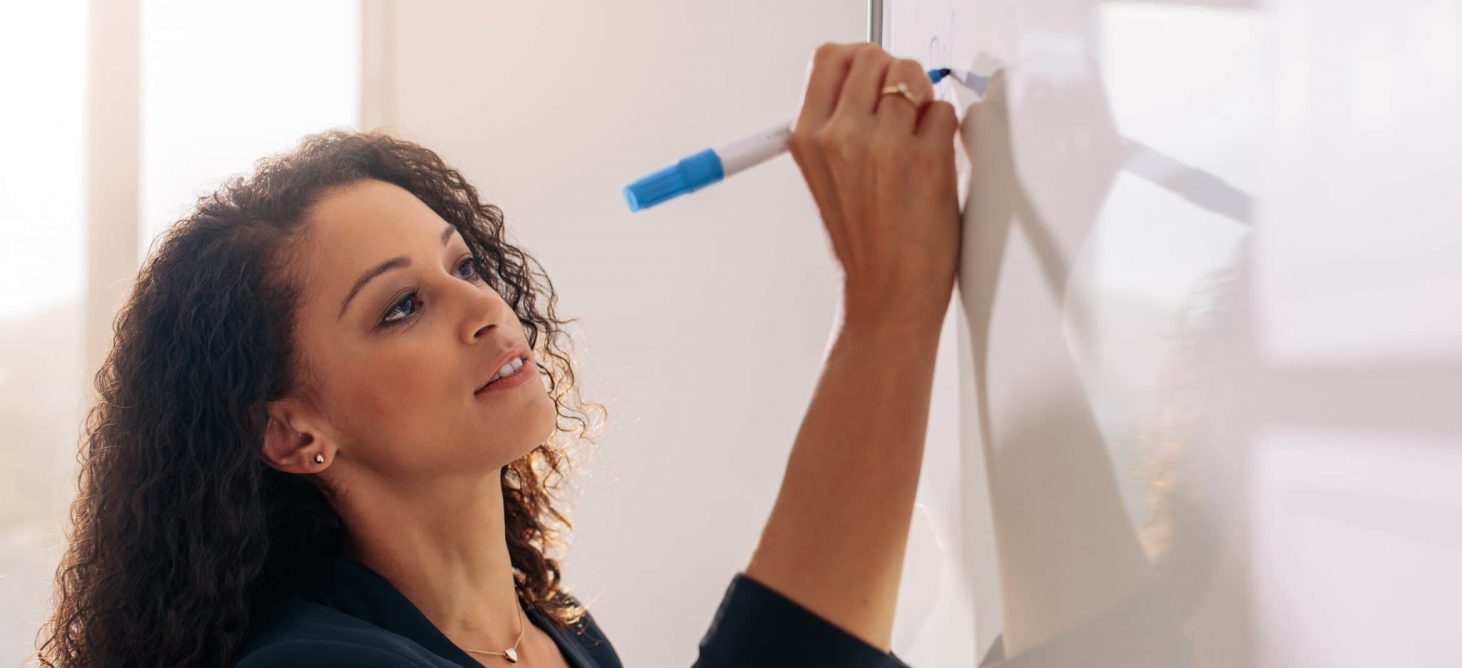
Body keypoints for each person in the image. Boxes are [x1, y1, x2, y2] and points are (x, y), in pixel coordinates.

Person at [35, 42, 958, 667]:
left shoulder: (554, 633)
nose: (481, 306)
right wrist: (887, 310)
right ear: (291, 430)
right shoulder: (310, 661)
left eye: (464, 264)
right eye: (401, 307)